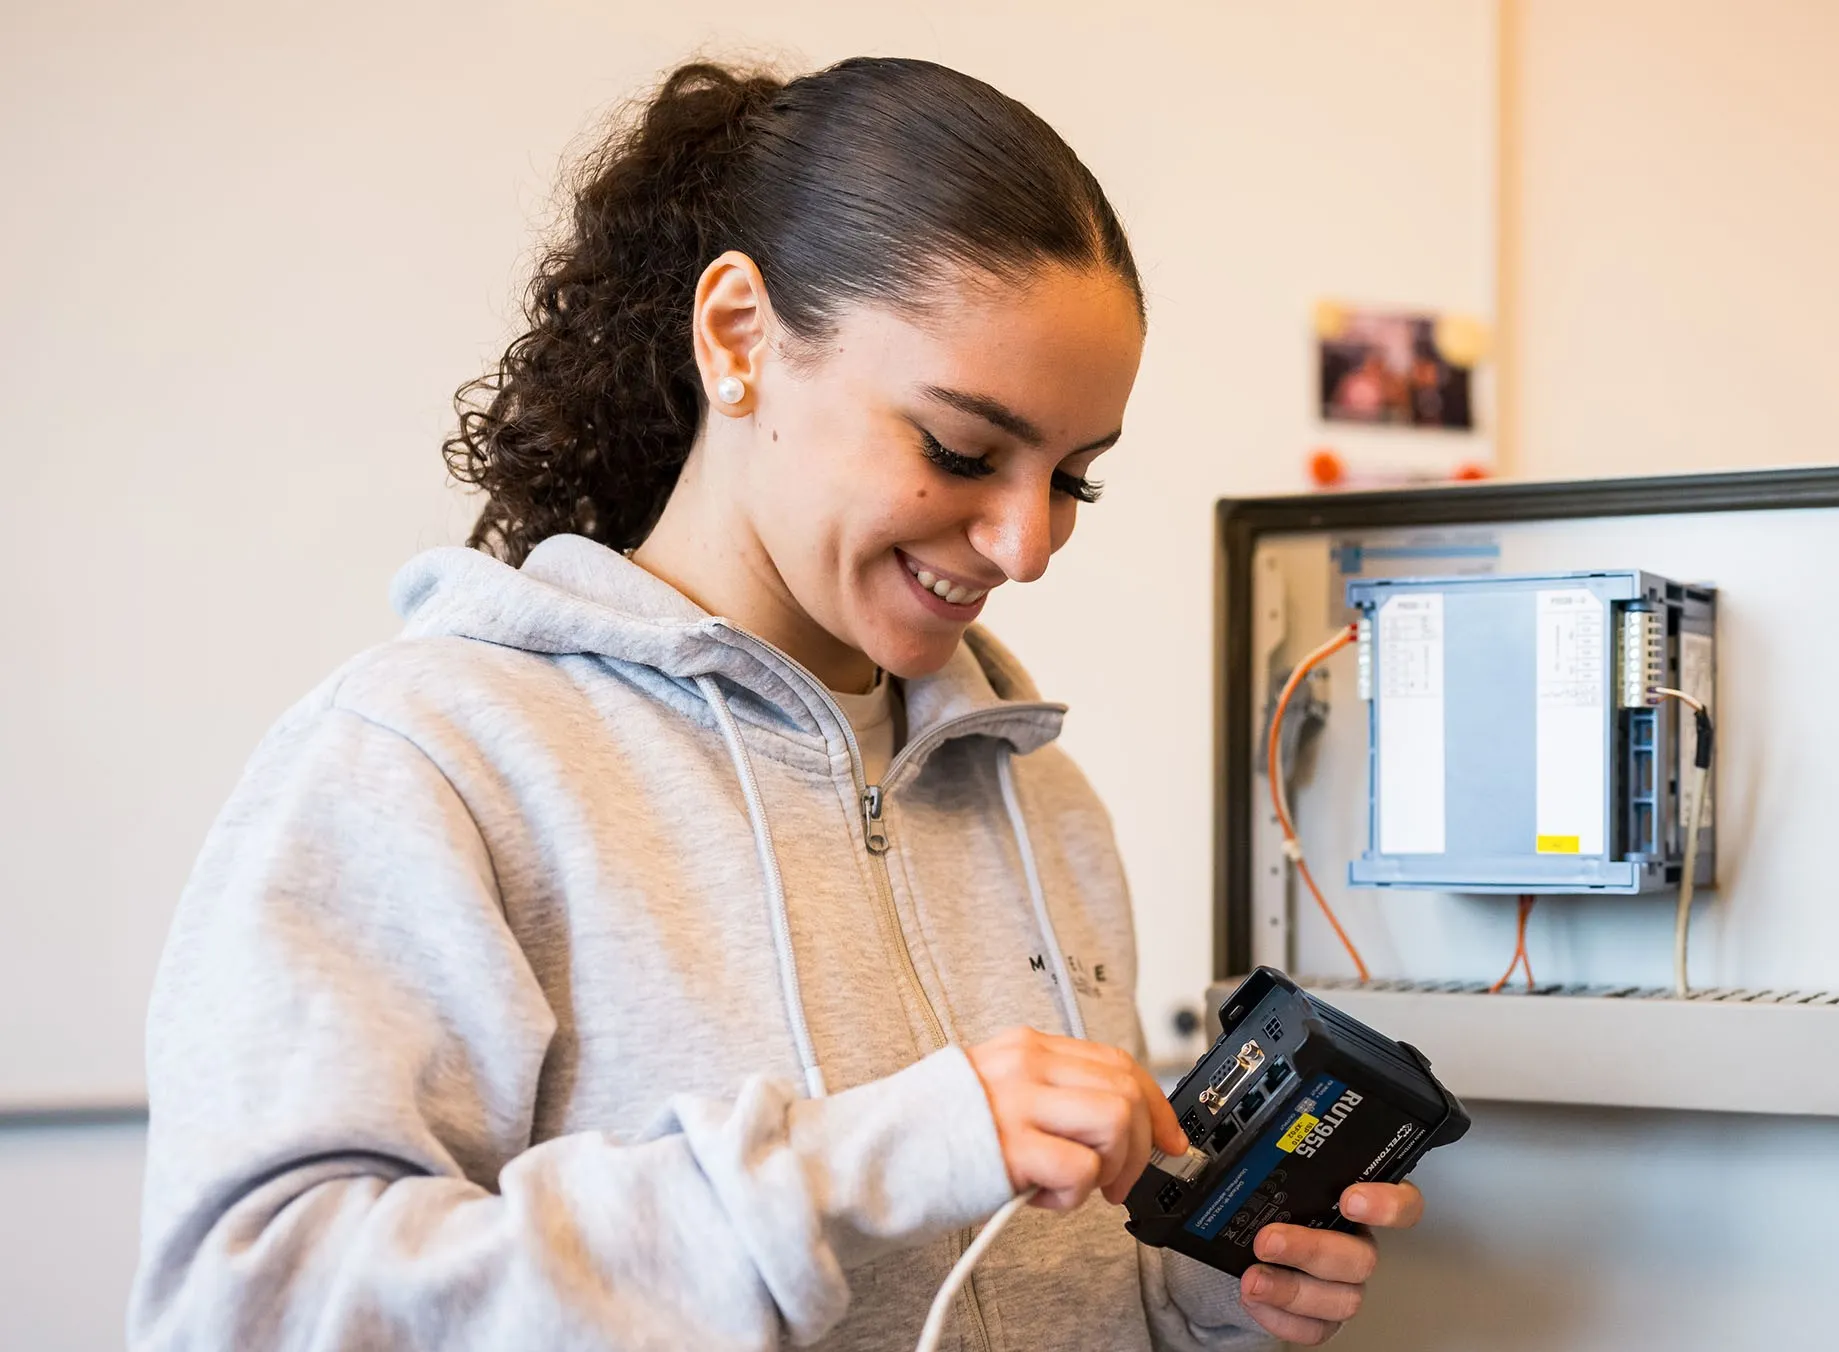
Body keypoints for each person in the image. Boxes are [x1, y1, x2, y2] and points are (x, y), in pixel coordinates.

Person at [129, 57, 1422, 1351]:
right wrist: (860, 1163)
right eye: (962, 451)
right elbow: (248, 1310)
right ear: (740, 336)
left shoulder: (1045, 802)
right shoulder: (431, 759)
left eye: (1074, 479)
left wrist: (1197, 1298)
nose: (1027, 546)